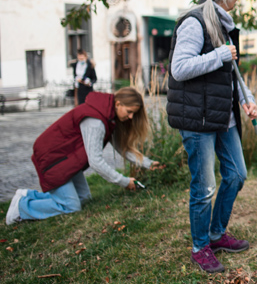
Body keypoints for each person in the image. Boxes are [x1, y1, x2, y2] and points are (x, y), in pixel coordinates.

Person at [166, 0, 257, 274]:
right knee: (203, 187)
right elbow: (179, 68)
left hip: (223, 115)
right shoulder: (194, 23)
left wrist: (247, 99)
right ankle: (200, 246)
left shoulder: (224, 22)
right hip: (198, 119)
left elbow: (230, 72)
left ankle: (217, 234)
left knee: (236, 176)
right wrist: (218, 55)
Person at [6, 87, 161, 225]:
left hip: (66, 160)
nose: (132, 117)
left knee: (83, 198)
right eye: (129, 112)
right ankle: (21, 208)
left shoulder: (108, 116)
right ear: (118, 104)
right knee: (71, 206)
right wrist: (124, 181)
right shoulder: (96, 121)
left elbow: (123, 148)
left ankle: (26, 195)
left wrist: (149, 164)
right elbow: (95, 162)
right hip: (53, 158)